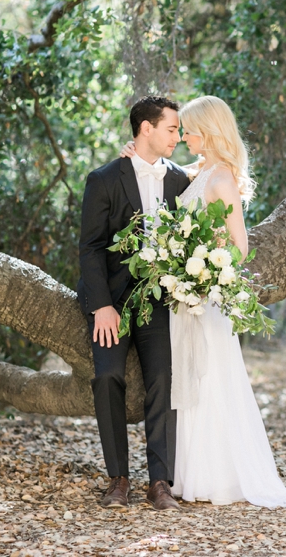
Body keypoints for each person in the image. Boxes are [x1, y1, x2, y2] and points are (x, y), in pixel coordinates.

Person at [122, 95, 286, 508]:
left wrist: (202, 271)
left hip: (203, 294)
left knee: (210, 376)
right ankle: (185, 474)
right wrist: (132, 155)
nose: (182, 136)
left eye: (188, 129)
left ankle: (220, 476)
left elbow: (239, 245)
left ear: (208, 129)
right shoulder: (196, 173)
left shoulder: (222, 181)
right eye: (179, 130)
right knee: (186, 380)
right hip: (183, 297)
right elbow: (158, 175)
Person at [77, 96, 190, 511]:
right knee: (108, 378)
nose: (177, 137)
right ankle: (118, 479)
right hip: (112, 299)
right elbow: (89, 249)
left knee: (163, 378)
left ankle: (160, 481)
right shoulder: (104, 179)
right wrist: (102, 305)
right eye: (172, 129)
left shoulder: (181, 181)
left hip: (158, 301)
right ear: (146, 129)